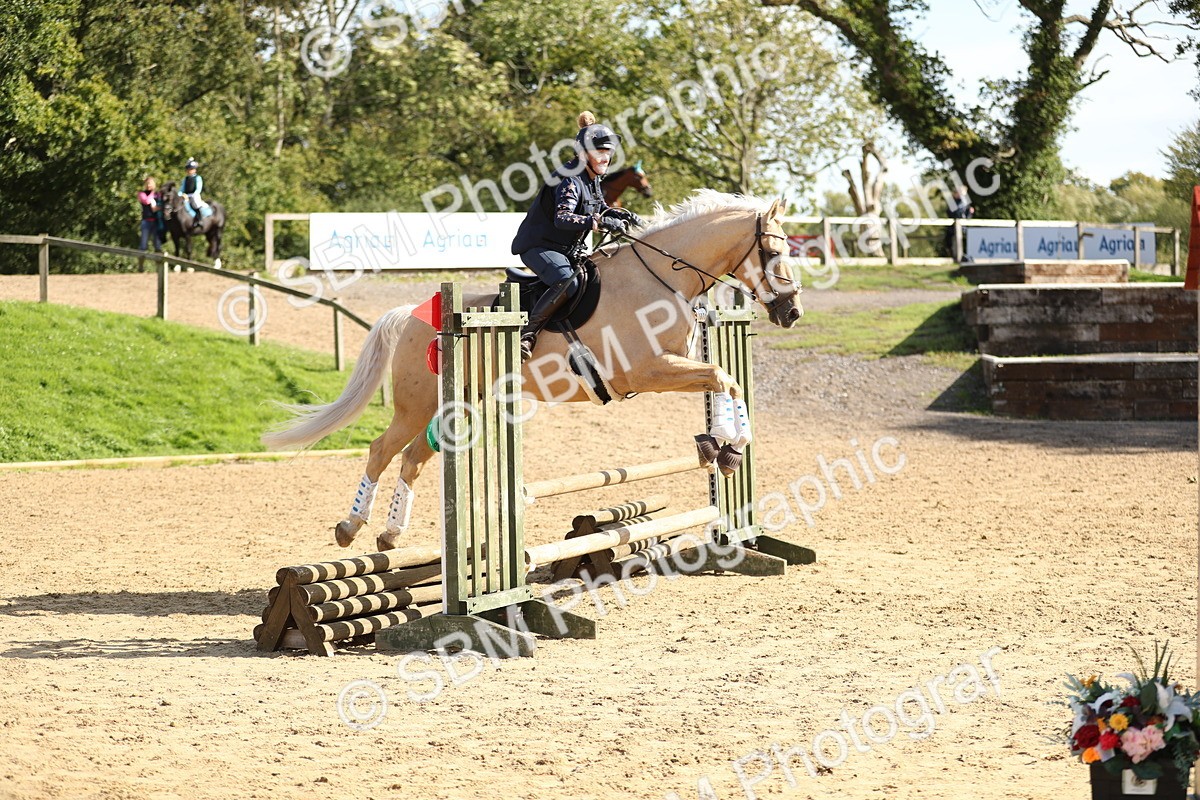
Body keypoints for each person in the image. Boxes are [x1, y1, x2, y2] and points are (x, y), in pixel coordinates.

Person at [511, 111, 642, 361]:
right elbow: (563, 217)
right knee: (566, 282)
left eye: (608, 152)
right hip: (539, 246)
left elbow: (601, 207)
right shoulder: (570, 179)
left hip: (563, 250)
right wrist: (599, 221)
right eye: (599, 152)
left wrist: (624, 215)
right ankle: (526, 334)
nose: (605, 158)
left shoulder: (592, 179)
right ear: (583, 154)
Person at [180, 158, 211, 230]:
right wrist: (180, 194)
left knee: (195, 205)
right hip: (186, 196)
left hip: (194, 195)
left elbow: (198, 188)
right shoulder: (185, 179)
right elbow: (182, 188)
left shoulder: (197, 178)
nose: (189, 171)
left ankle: (199, 220)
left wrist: (194, 194)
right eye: (188, 169)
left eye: (191, 169)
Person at [946, 185, 975, 262]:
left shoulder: (965, 203)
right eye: (961, 193)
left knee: (964, 241)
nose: (962, 195)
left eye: (964, 194)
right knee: (952, 242)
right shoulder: (952, 202)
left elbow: (967, 217)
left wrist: (970, 212)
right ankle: (956, 257)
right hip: (953, 227)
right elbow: (951, 213)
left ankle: (964, 257)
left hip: (963, 226)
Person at [137, 177, 164, 254]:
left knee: (157, 244)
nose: (149, 185)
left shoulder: (158, 194)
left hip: (156, 221)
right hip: (146, 222)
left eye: (150, 183)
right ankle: (141, 262)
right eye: (147, 183)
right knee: (143, 245)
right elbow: (146, 201)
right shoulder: (142, 193)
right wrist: (153, 193)